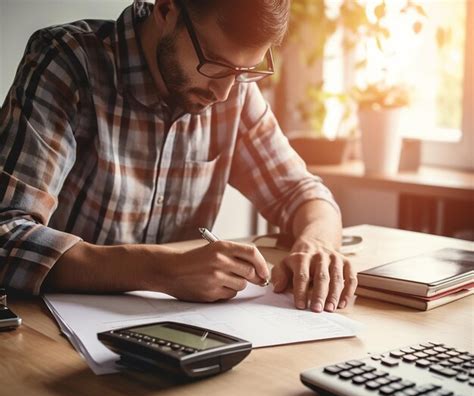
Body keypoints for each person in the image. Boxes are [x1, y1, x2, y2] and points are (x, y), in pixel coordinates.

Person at [0, 0, 357, 312]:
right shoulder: (67, 62)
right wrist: (161, 269)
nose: (224, 92)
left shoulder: (233, 91)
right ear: (167, 9)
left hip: (178, 331)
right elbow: (7, 233)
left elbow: (304, 194)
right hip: (48, 334)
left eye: (244, 71)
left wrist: (318, 244)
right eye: (215, 64)